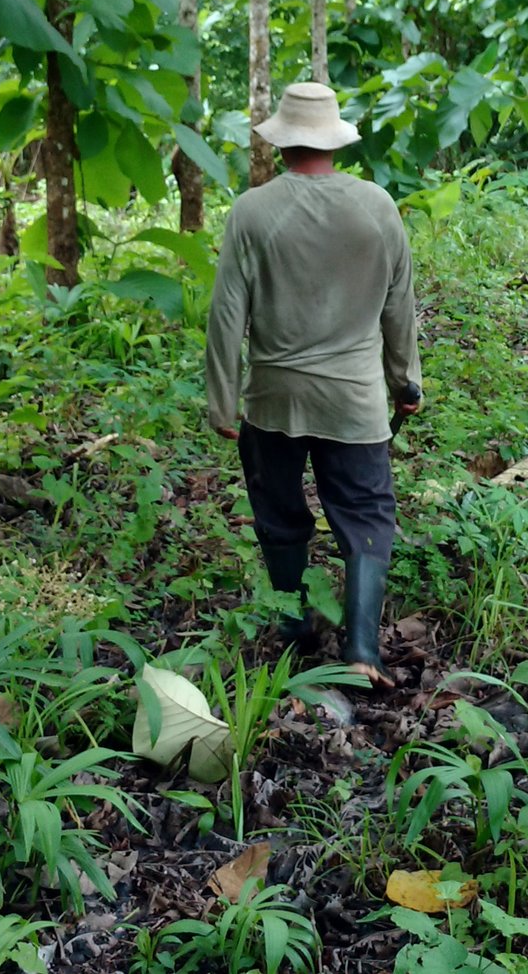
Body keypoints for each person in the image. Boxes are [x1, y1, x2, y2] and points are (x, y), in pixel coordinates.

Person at [204, 82, 423, 688]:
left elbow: (227, 313)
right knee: (366, 511)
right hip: (354, 399)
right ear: (334, 141)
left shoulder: (252, 212)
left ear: (281, 143)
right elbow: (398, 306)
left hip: (274, 396)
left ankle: (295, 630)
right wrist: (405, 381)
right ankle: (360, 650)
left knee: (279, 513)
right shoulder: (377, 208)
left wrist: (223, 399)